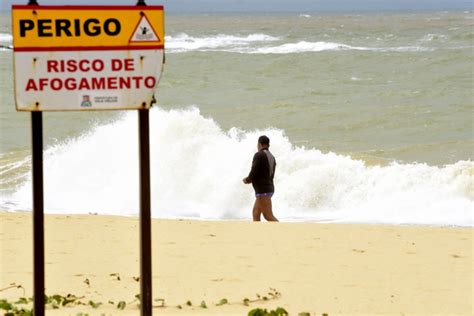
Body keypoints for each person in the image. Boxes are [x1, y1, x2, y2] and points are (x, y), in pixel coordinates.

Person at [242, 135, 279, 222]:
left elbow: (254, 170)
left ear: (259, 144)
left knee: (268, 216)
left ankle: (283, 231)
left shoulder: (259, 155)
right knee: (256, 212)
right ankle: (257, 233)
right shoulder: (272, 157)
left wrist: (248, 179)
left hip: (263, 190)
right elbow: (271, 174)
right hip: (269, 188)